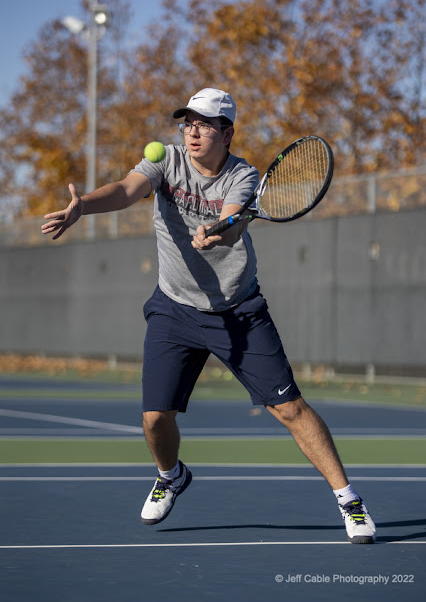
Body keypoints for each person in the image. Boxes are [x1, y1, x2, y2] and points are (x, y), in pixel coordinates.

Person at [41, 87, 376, 544]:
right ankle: (171, 476)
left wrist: (219, 232)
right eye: (188, 123)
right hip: (174, 309)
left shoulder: (244, 176)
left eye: (203, 124)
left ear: (227, 133)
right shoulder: (165, 161)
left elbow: (234, 221)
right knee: (154, 419)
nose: (192, 131)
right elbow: (124, 190)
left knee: (290, 408)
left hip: (238, 312)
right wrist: (84, 206)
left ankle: (349, 500)